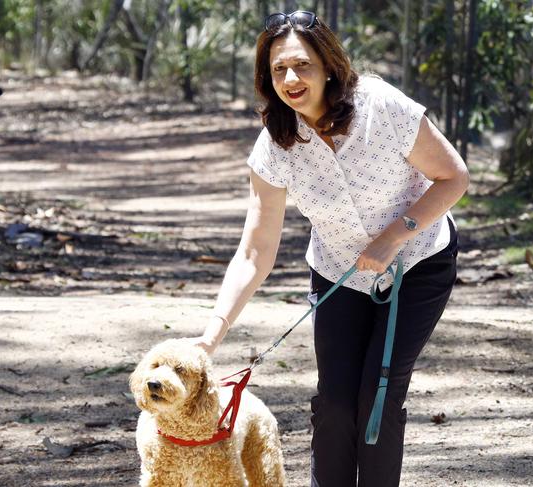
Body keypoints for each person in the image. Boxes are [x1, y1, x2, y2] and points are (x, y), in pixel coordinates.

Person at [190, 10, 469, 487]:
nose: (291, 79)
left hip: (418, 263)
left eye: (302, 65)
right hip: (339, 271)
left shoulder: (382, 108)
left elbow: (454, 177)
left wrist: (393, 236)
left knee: (376, 395)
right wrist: (210, 337)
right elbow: (256, 251)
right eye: (278, 69)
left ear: (329, 66)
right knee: (337, 405)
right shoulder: (275, 146)